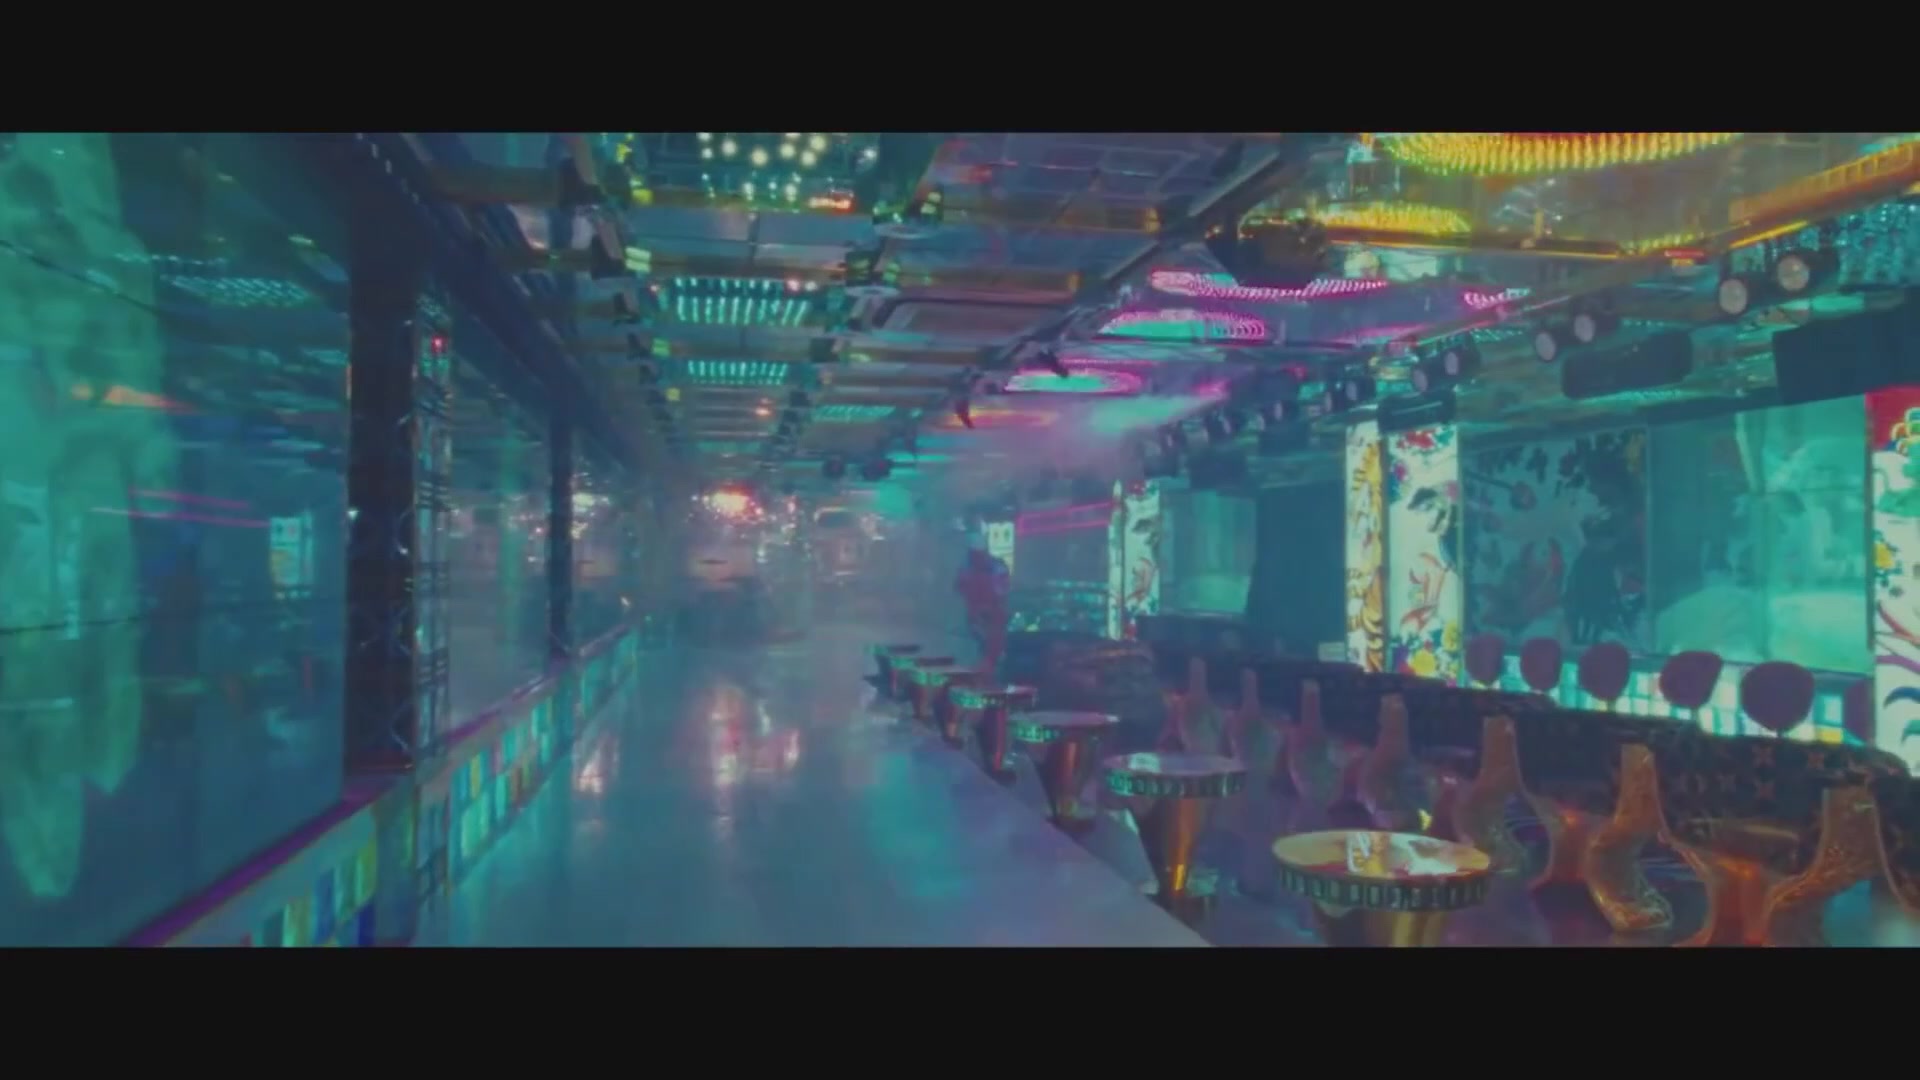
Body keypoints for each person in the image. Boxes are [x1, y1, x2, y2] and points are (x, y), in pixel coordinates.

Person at [953, 537, 1011, 675]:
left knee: (992, 650)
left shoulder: (997, 567)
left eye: (977, 554)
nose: (975, 557)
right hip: (976, 618)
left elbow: (1003, 590)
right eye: (973, 554)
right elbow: (959, 589)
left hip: (992, 616)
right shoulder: (966, 568)